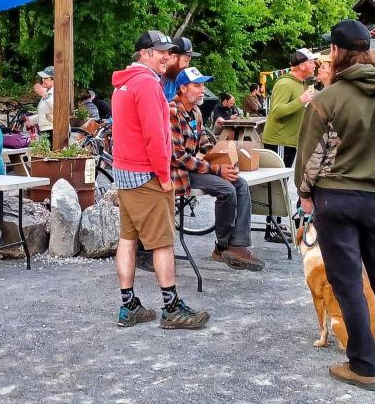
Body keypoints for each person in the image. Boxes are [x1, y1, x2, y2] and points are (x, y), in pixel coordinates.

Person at [295, 19, 375, 390]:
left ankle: (364, 366)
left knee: (349, 283)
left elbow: (310, 159)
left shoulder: (327, 99)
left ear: (336, 52)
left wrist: (306, 194)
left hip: (336, 200)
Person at [112, 30, 209, 329]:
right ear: (144, 54)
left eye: (168, 51)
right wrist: (165, 176)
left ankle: (129, 306)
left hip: (125, 172)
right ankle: (171, 308)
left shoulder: (122, 85)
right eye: (160, 51)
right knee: (163, 243)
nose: (167, 56)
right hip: (147, 174)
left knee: (128, 239)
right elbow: (155, 135)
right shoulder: (148, 85)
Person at [171, 68, 263, 271]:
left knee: (240, 183)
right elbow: (177, 157)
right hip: (179, 173)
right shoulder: (172, 111)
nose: (203, 89)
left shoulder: (195, 111)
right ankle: (222, 246)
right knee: (226, 189)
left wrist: (224, 158)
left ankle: (237, 244)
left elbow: (204, 143)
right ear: (183, 88)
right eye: (197, 85)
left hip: (196, 167)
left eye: (203, 85)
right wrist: (216, 169)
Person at [263, 47, 319, 167]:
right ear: (302, 66)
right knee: (278, 182)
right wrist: (301, 100)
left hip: (287, 142)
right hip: (279, 141)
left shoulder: (297, 83)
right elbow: (277, 111)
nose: (315, 65)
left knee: (282, 181)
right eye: (311, 62)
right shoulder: (285, 83)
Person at [161, 36, 199, 101]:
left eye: (188, 61)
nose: (187, 65)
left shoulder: (174, 75)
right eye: (185, 61)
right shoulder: (156, 76)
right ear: (173, 57)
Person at [35, 65, 55, 143]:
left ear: (54, 80)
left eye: (46, 78)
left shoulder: (56, 91)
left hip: (52, 130)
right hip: (45, 129)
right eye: (42, 78)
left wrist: (45, 95)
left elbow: (55, 108)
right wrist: (30, 120)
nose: (43, 80)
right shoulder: (48, 91)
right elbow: (44, 112)